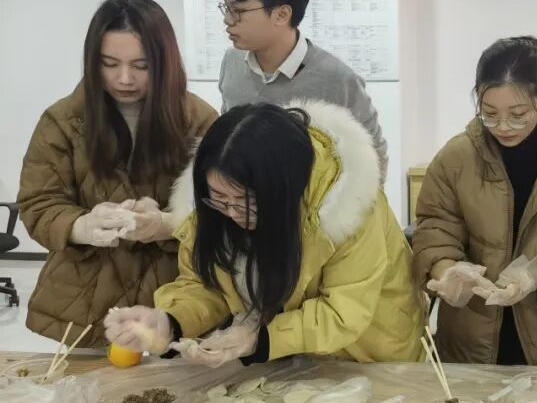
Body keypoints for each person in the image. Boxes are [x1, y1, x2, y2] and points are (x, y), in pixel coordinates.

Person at [103, 101, 424, 366]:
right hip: (289, 357)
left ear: (284, 190)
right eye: (220, 200)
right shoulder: (215, 203)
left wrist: (261, 338)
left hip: (368, 353)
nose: (232, 213)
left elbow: (343, 312)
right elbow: (206, 285)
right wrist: (170, 322)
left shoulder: (349, 207)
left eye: (247, 202)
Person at [18, 0, 217, 346]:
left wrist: (167, 224)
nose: (124, 79)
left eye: (141, 66)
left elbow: (224, 208)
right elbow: (38, 203)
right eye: (109, 64)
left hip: (175, 296)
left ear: (165, 62)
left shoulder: (199, 120)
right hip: (86, 299)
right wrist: (82, 226)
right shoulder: (63, 120)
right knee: (89, 378)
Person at [412, 37, 537, 366]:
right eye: (489, 114)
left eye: (518, 114)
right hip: (471, 334)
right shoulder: (455, 159)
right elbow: (435, 230)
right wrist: (448, 270)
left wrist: (535, 277)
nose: (503, 127)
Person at [217, 0, 388, 183]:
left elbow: (373, 157)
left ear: (281, 15)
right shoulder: (232, 62)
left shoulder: (338, 79)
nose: (227, 19)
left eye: (238, 11)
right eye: (227, 8)